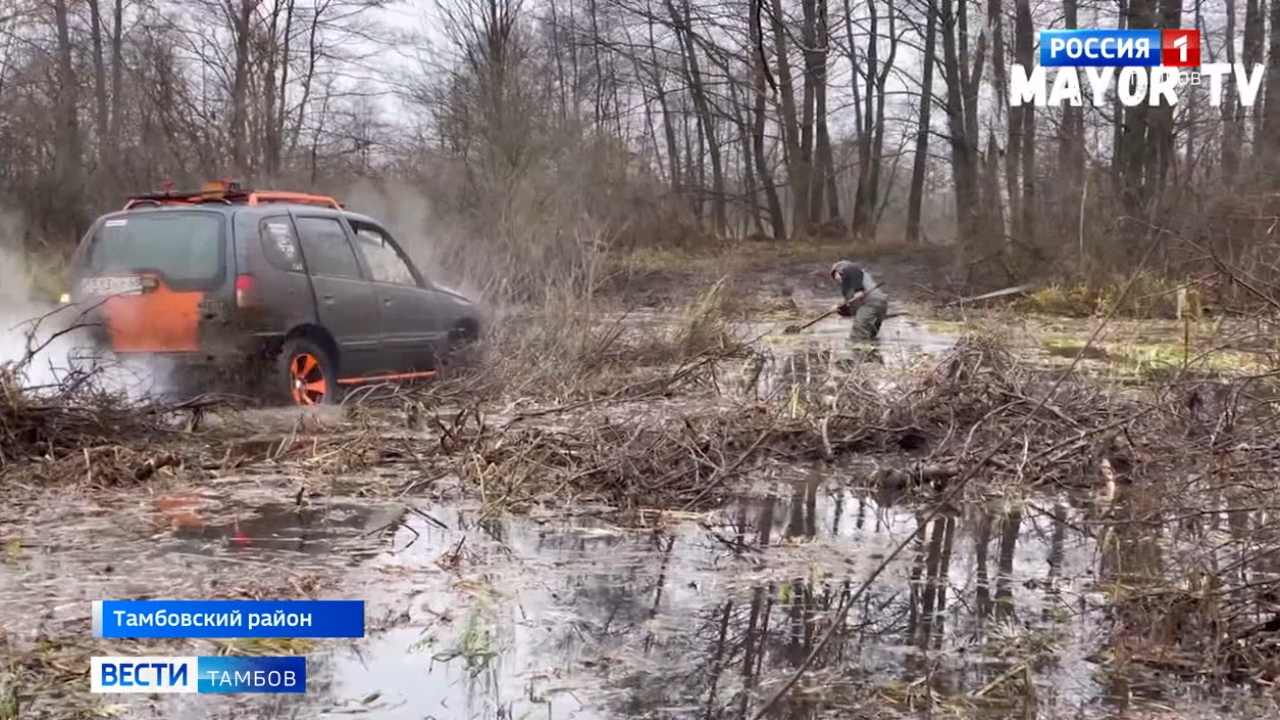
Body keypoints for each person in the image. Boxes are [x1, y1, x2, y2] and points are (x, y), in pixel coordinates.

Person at [830, 260, 888, 341]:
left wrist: (858, 290)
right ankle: (872, 353)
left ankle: (858, 352)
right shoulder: (850, 286)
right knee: (870, 337)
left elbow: (853, 268)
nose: (836, 278)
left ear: (840, 270)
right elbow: (850, 310)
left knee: (857, 336)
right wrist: (839, 308)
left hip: (869, 303)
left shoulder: (850, 269)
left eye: (835, 274)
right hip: (880, 305)